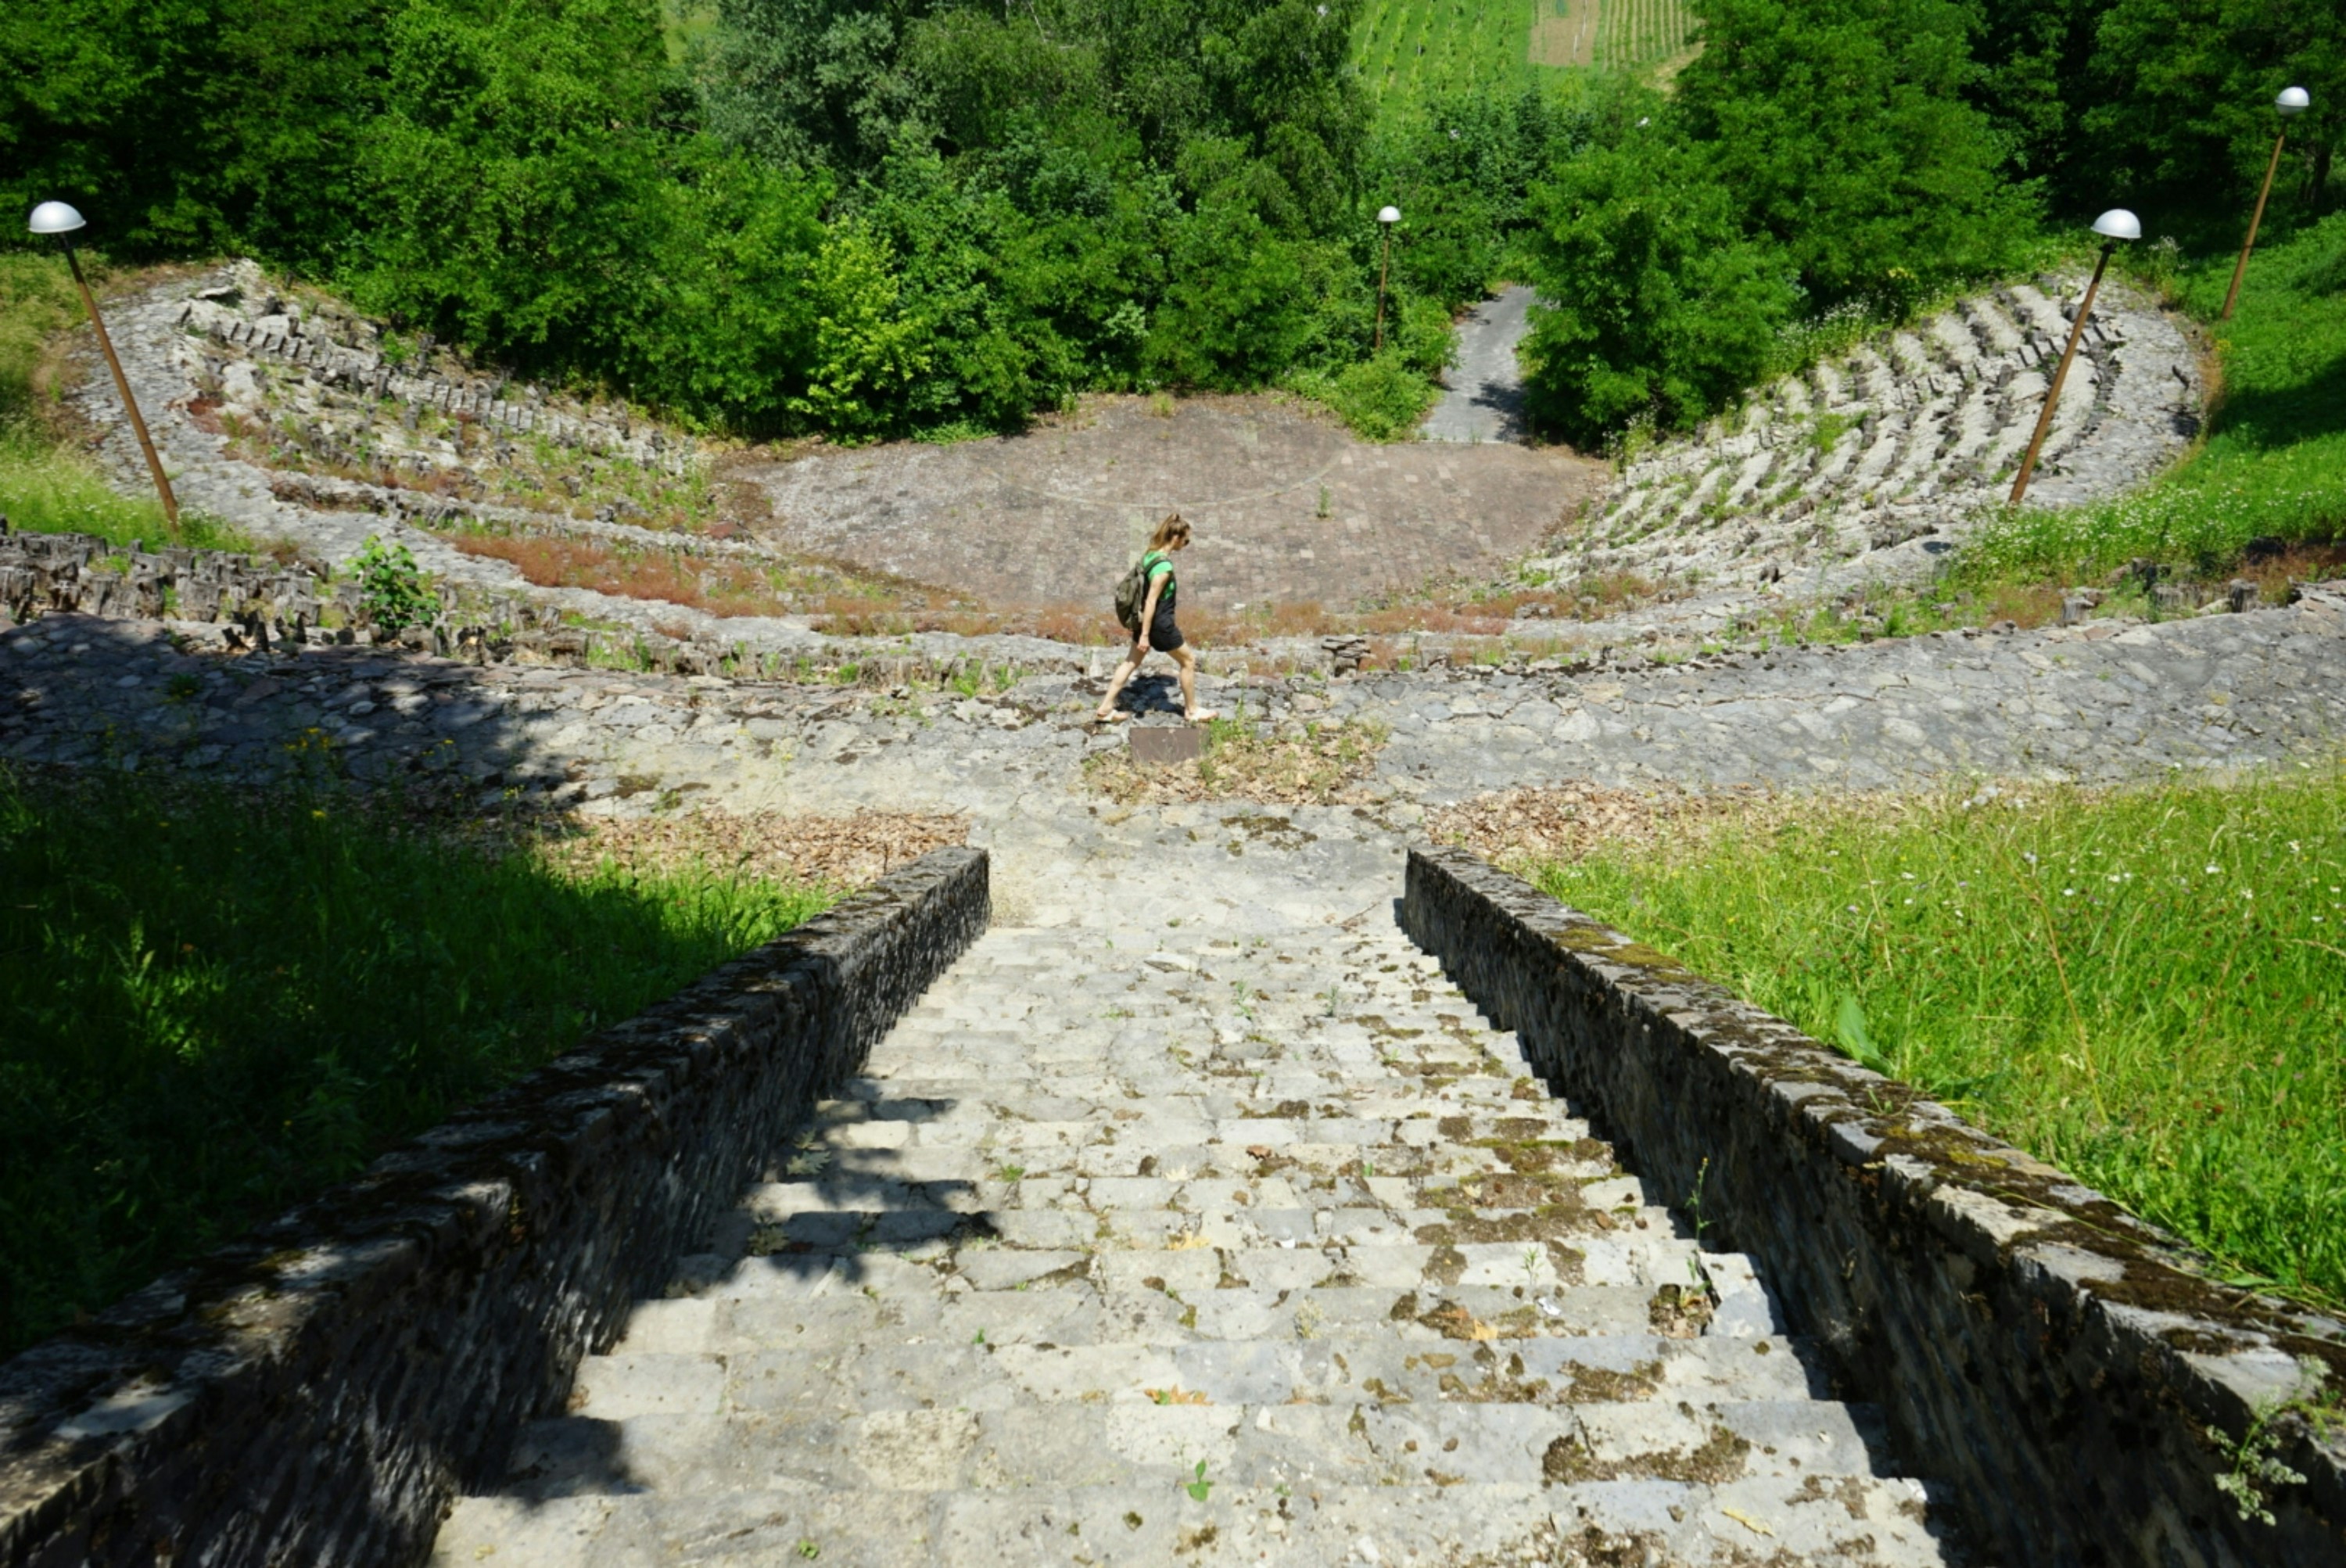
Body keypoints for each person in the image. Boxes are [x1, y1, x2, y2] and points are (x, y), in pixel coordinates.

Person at [1094, 513, 1217, 724]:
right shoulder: (1164, 568)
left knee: (1130, 662)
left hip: (1145, 621)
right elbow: (1151, 602)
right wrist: (1145, 636)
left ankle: (1105, 708)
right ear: (1176, 538)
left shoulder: (1150, 555)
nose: (1186, 544)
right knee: (1188, 661)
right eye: (1185, 540)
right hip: (1159, 625)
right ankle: (1192, 710)